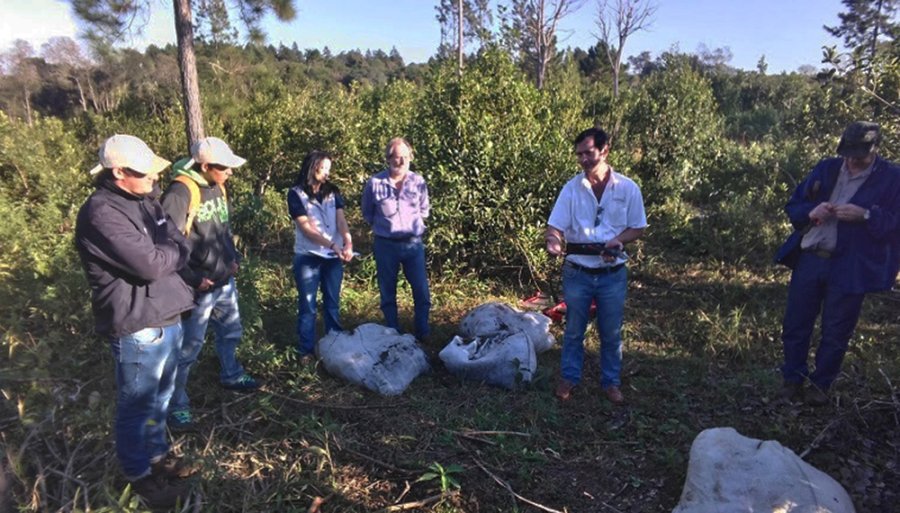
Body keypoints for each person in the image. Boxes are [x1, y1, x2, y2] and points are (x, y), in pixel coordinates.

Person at [75, 134, 197, 507]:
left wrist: (168, 251)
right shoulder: (101, 213)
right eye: (145, 175)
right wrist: (169, 251)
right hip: (139, 324)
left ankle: (158, 457)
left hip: (169, 315)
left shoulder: (145, 201)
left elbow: (181, 243)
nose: (154, 181)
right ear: (118, 173)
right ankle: (138, 473)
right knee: (136, 405)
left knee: (160, 398)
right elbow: (150, 264)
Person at [775, 121, 900, 406]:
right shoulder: (827, 168)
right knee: (796, 323)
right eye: (849, 153)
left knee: (836, 330)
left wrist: (867, 216)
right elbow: (794, 206)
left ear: (875, 149)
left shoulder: (892, 178)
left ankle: (820, 386)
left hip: (850, 266)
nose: (853, 161)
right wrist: (811, 211)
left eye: (860, 155)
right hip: (811, 258)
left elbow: (896, 224)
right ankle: (792, 380)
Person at [161, 136, 259, 432]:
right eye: (224, 167)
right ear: (205, 165)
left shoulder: (217, 186)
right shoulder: (180, 192)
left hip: (223, 279)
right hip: (199, 287)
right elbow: (168, 242)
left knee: (231, 331)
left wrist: (232, 257)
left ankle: (231, 374)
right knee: (188, 348)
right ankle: (176, 404)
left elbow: (221, 228)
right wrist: (193, 279)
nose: (230, 172)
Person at [546, 127, 647, 404]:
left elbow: (637, 227)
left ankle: (611, 382)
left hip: (612, 274)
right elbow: (555, 226)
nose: (584, 160)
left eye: (589, 153)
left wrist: (617, 241)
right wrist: (553, 242)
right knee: (574, 329)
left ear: (605, 150)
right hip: (577, 271)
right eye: (579, 155)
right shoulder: (571, 188)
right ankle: (569, 377)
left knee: (611, 331)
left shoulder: (627, 188)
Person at [361, 137, 432, 341]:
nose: (400, 161)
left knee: (421, 289)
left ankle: (423, 331)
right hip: (386, 245)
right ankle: (392, 331)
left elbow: (424, 210)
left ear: (410, 158)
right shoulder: (374, 183)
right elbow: (367, 212)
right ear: (388, 158)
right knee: (387, 290)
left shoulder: (418, 182)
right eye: (395, 157)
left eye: (404, 157)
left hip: (413, 244)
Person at [288, 150, 354, 360]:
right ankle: (306, 350)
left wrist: (348, 241)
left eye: (329, 169)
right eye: (323, 168)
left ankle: (334, 344)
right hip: (308, 255)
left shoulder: (333, 192)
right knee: (308, 305)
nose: (326, 173)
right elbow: (307, 228)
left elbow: (341, 220)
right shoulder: (296, 193)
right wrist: (333, 245)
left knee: (332, 301)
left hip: (333, 257)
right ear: (312, 166)